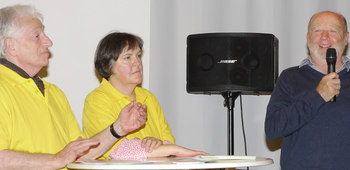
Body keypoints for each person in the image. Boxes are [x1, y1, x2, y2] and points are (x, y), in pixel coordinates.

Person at [0, 5, 148, 170]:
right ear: (11, 46)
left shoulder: (54, 93)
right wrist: (55, 160)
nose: (48, 42)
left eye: (44, 33)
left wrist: (118, 128)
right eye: (36, 35)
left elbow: (79, 154)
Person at [83, 32, 206, 160]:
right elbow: (117, 151)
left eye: (138, 55)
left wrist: (157, 142)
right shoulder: (96, 100)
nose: (137, 62)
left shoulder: (148, 97)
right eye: (127, 57)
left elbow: (168, 143)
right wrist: (175, 150)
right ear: (107, 66)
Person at [265, 11, 350, 169]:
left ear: (346, 38)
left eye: (332, 31)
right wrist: (318, 96)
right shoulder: (290, 78)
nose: (324, 36)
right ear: (307, 38)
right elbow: (273, 129)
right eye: (317, 31)